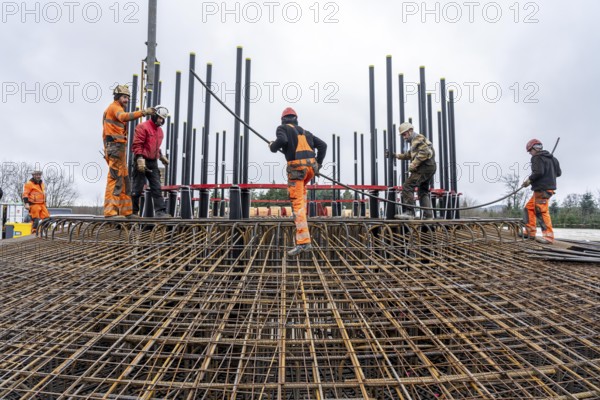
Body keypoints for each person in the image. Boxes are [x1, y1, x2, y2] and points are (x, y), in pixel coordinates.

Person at [270, 107, 327, 256]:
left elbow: (282, 140)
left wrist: (272, 147)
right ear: (296, 119)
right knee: (301, 197)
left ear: (283, 119)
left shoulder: (282, 128)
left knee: (297, 204)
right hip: (310, 169)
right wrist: (318, 165)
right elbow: (323, 145)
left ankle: (303, 243)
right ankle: (304, 233)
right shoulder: (305, 132)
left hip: (297, 169)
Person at [102, 84, 155, 218]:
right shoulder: (114, 108)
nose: (126, 100)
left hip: (119, 148)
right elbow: (124, 117)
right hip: (114, 147)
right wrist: (143, 112)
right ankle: (110, 212)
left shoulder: (117, 107)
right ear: (117, 97)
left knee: (125, 179)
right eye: (124, 97)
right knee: (115, 179)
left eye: (127, 97)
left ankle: (126, 211)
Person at [386, 122, 436, 220]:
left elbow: (425, 152)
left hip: (424, 168)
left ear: (410, 131)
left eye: (404, 134)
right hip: (430, 167)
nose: (404, 137)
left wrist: (414, 164)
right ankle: (428, 216)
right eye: (402, 135)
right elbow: (409, 155)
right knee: (423, 191)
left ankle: (410, 213)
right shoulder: (415, 142)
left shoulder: (417, 139)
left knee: (407, 186)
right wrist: (395, 155)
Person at [131, 105, 171, 217]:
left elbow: (155, 147)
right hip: (142, 159)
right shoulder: (143, 127)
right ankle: (133, 212)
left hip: (152, 162)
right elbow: (137, 144)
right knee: (137, 187)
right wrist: (139, 158)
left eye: (163, 119)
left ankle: (160, 212)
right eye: (159, 118)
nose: (161, 120)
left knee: (157, 187)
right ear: (154, 115)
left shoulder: (160, 132)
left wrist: (161, 156)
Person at [521, 139, 561, 244]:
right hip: (546, 189)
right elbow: (558, 173)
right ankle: (530, 232)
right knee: (528, 208)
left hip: (542, 189)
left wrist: (529, 180)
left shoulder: (536, 157)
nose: (530, 153)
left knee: (541, 211)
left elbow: (538, 172)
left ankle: (548, 237)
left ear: (535, 148)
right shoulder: (553, 159)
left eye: (530, 151)